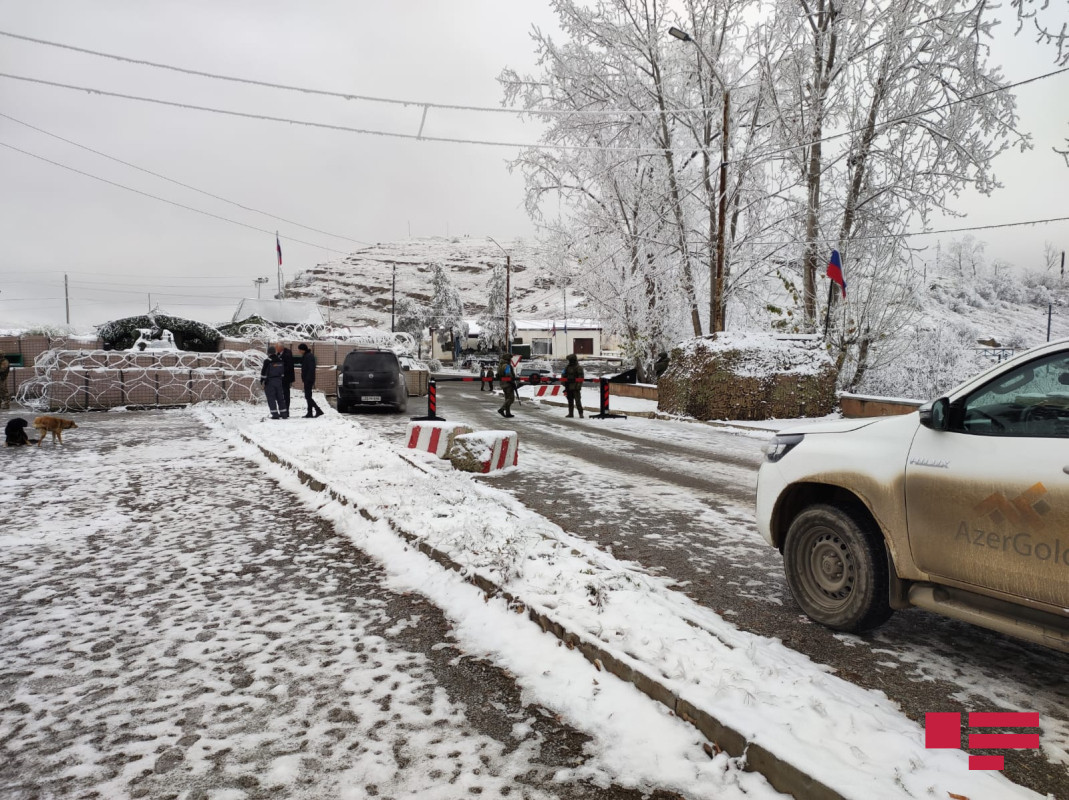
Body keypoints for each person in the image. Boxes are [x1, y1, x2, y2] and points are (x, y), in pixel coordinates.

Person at [296, 343, 324, 418]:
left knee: (308, 396)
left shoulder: (309, 356)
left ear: (302, 349)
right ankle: (310, 412)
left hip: (308, 379)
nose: (298, 351)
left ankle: (318, 410)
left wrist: (308, 378)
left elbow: (311, 368)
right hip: (307, 379)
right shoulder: (306, 356)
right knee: (308, 396)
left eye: (299, 349)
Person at [260, 346, 288, 419]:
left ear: (268, 352)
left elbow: (263, 372)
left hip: (270, 382)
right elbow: (282, 372)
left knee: (271, 398)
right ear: (275, 352)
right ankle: (284, 413)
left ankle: (275, 414)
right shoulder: (280, 360)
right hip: (279, 381)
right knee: (280, 398)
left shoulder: (267, 361)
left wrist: (262, 381)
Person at [563, 353, 585, 418]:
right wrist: (564, 384)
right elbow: (563, 375)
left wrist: (578, 386)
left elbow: (580, 378)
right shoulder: (567, 367)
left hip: (575, 387)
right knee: (570, 401)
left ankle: (580, 413)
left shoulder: (578, 368)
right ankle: (570, 413)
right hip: (568, 386)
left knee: (578, 401)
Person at [277, 343, 296, 414]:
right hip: (281, 377)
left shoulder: (287, 354)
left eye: (277, 348)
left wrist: (280, 370)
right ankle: (283, 410)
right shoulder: (279, 353)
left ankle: (286, 410)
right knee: (282, 394)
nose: (276, 350)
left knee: (286, 394)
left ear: (281, 348)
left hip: (286, 377)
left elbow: (288, 366)